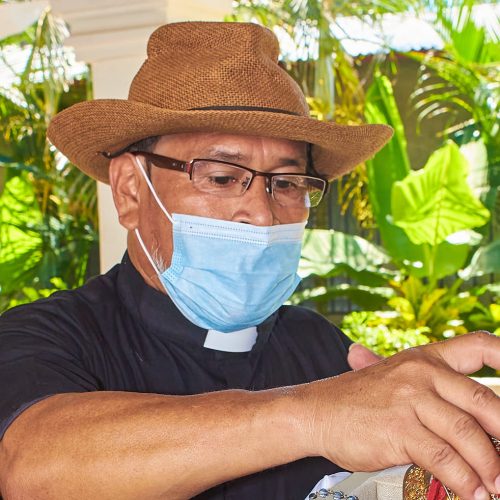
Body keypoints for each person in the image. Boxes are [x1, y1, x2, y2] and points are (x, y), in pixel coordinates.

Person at [0, 21, 498, 500]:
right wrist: (312, 415)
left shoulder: (320, 348)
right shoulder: (46, 335)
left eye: (288, 183)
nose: (261, 213)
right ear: (131, 190)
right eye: (220, 177)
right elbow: (32, 469)